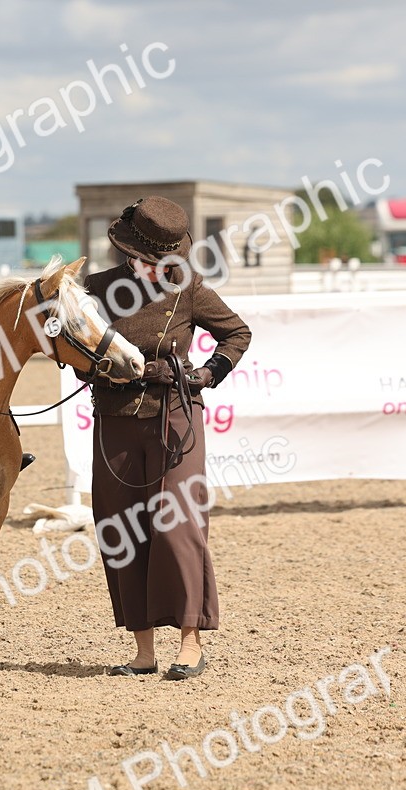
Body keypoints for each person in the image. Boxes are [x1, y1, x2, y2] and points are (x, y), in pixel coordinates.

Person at [80, 196, 251, 680]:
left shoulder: (190, 289)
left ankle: (191, 642)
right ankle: (142, 650)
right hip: (115, 418)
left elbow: (236, 335)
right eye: (144, 261)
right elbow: (67, 341)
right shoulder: (96, 290)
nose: (151, 270)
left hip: (175, 417)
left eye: (160, 263)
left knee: (178, 526)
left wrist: (205, 374)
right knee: (120, 528)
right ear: (127, 253)